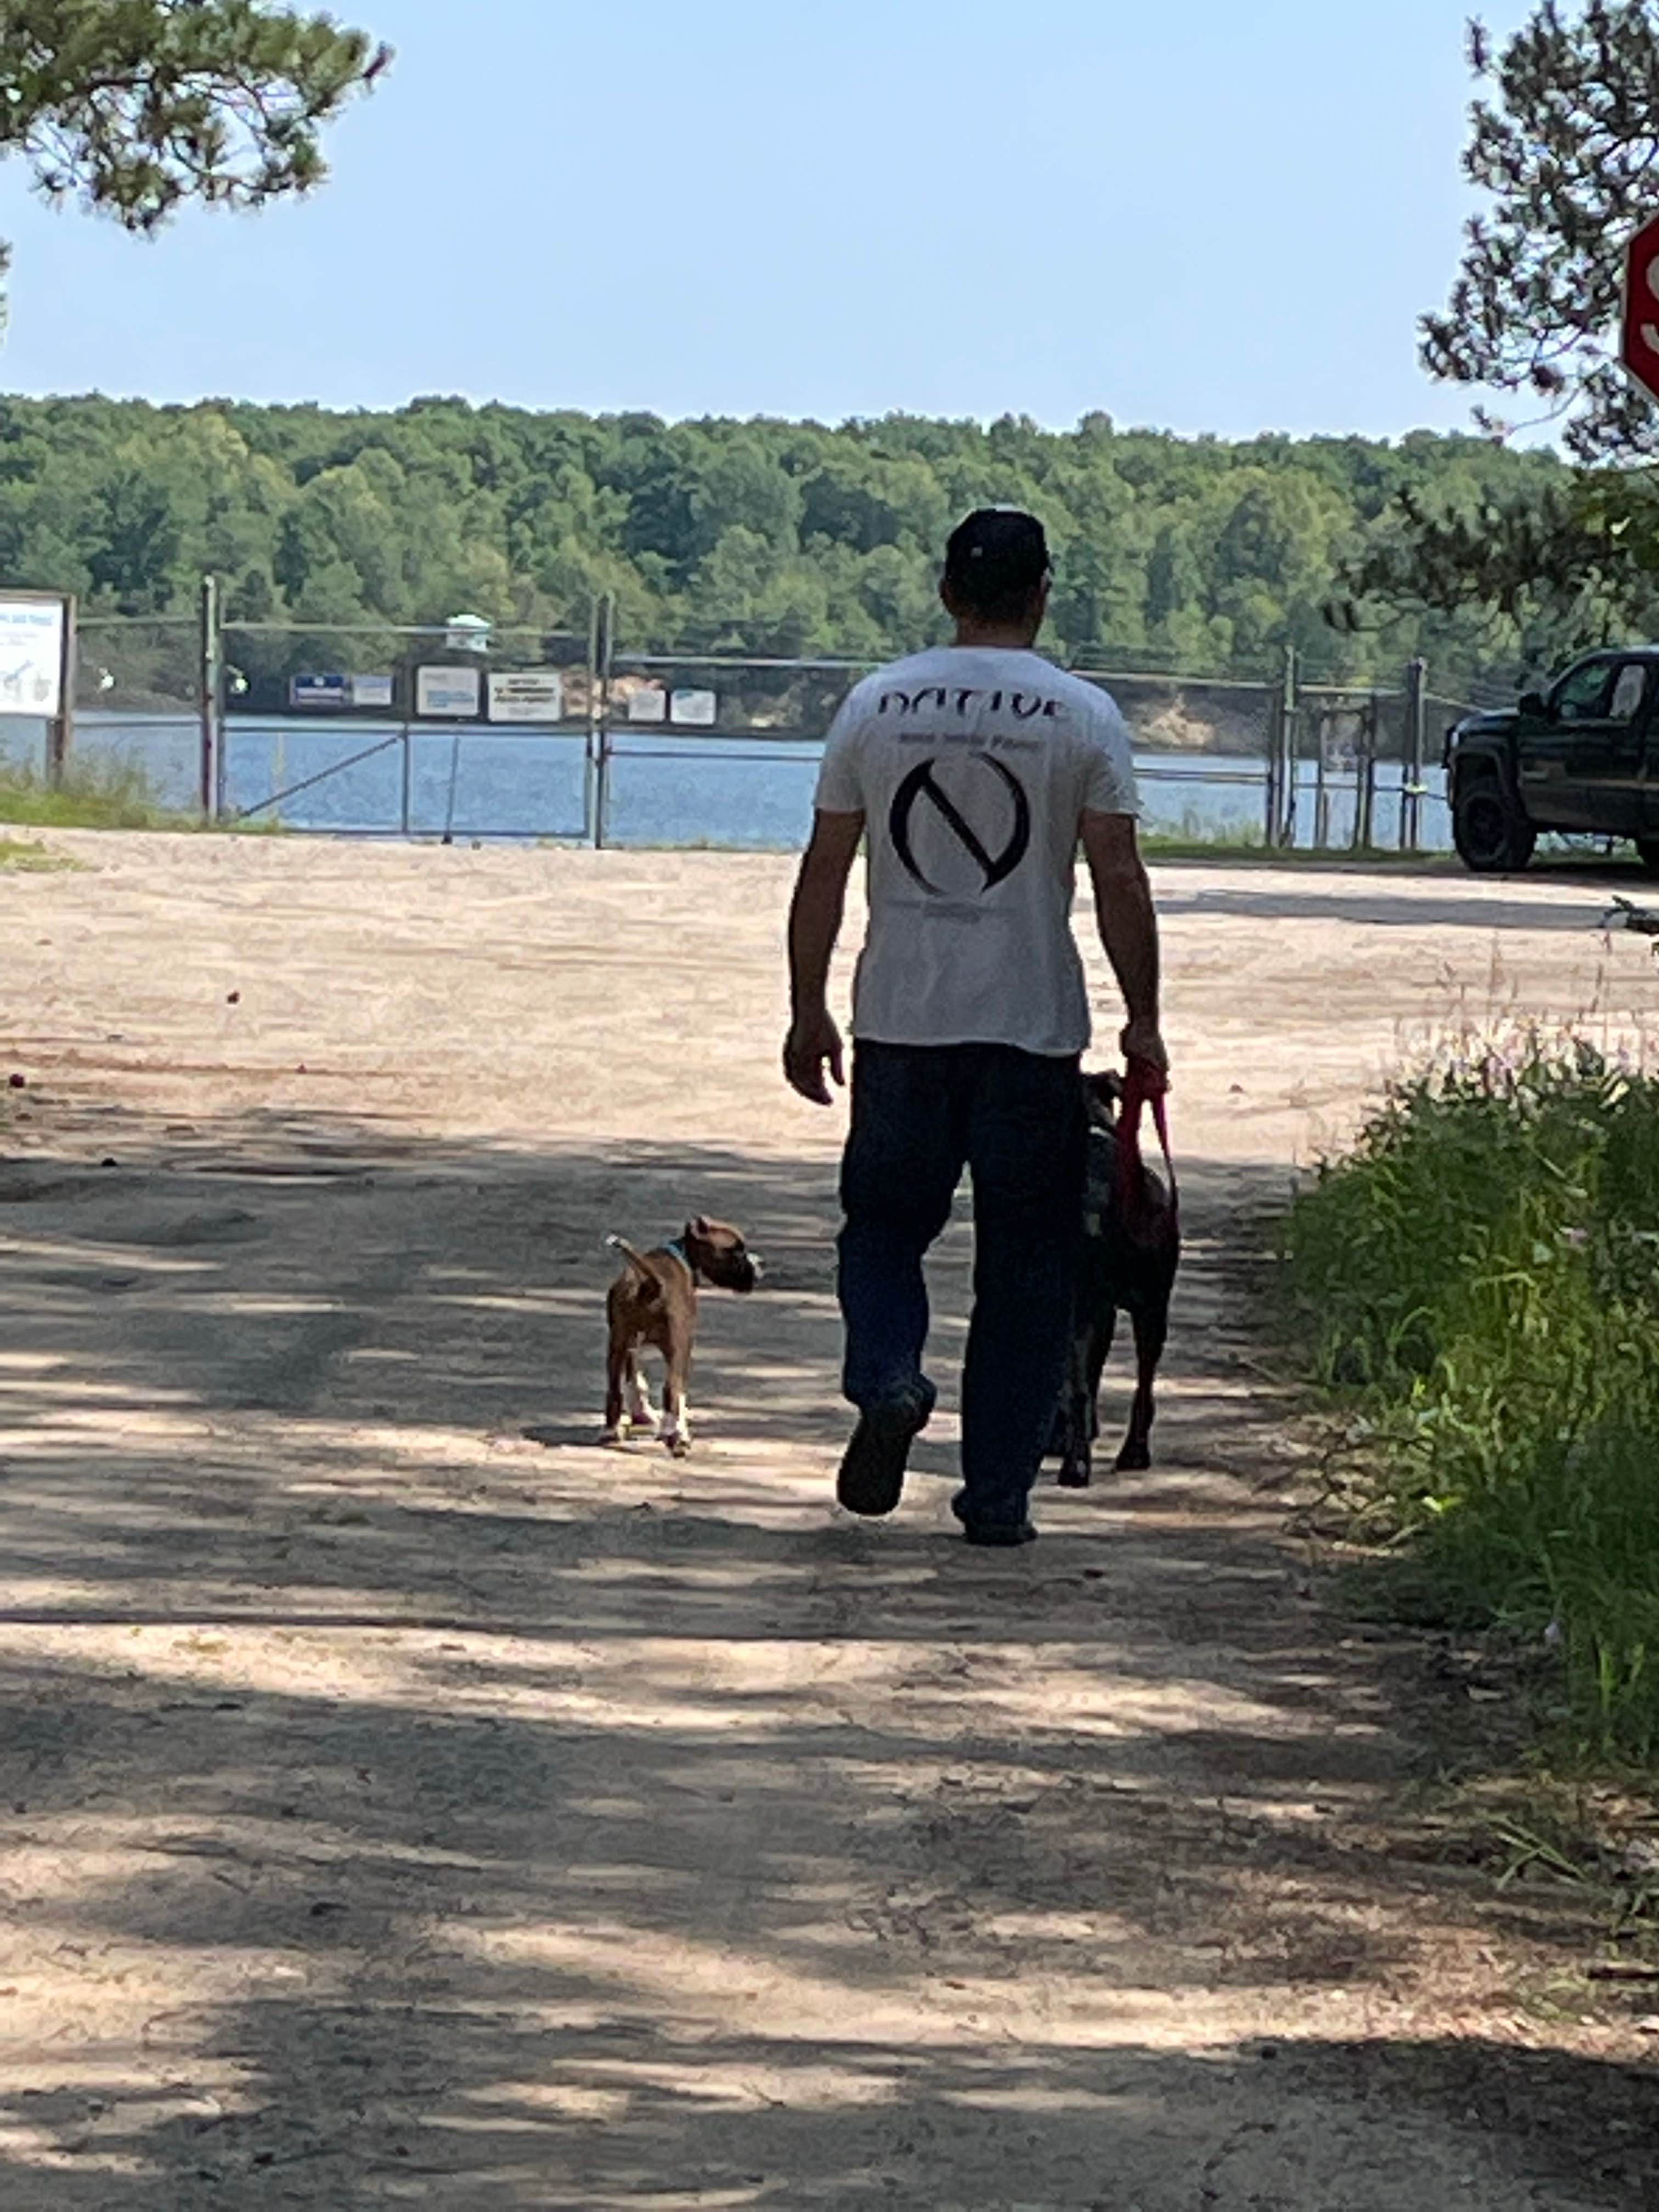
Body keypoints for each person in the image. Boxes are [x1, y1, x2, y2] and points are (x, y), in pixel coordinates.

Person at [782, 507, 1166, 1547]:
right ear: (1043, 594)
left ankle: (890, 1378)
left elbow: (826, 869)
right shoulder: (1081, 716)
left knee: (882, 1229)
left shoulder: (875, 705)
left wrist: (807, 1005)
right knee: (1029, 1267)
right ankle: (996, 1495)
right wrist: (1143, 1021)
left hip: (901, 1023)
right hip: (1031, 1028)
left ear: (946, 592)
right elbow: (1117, 876)